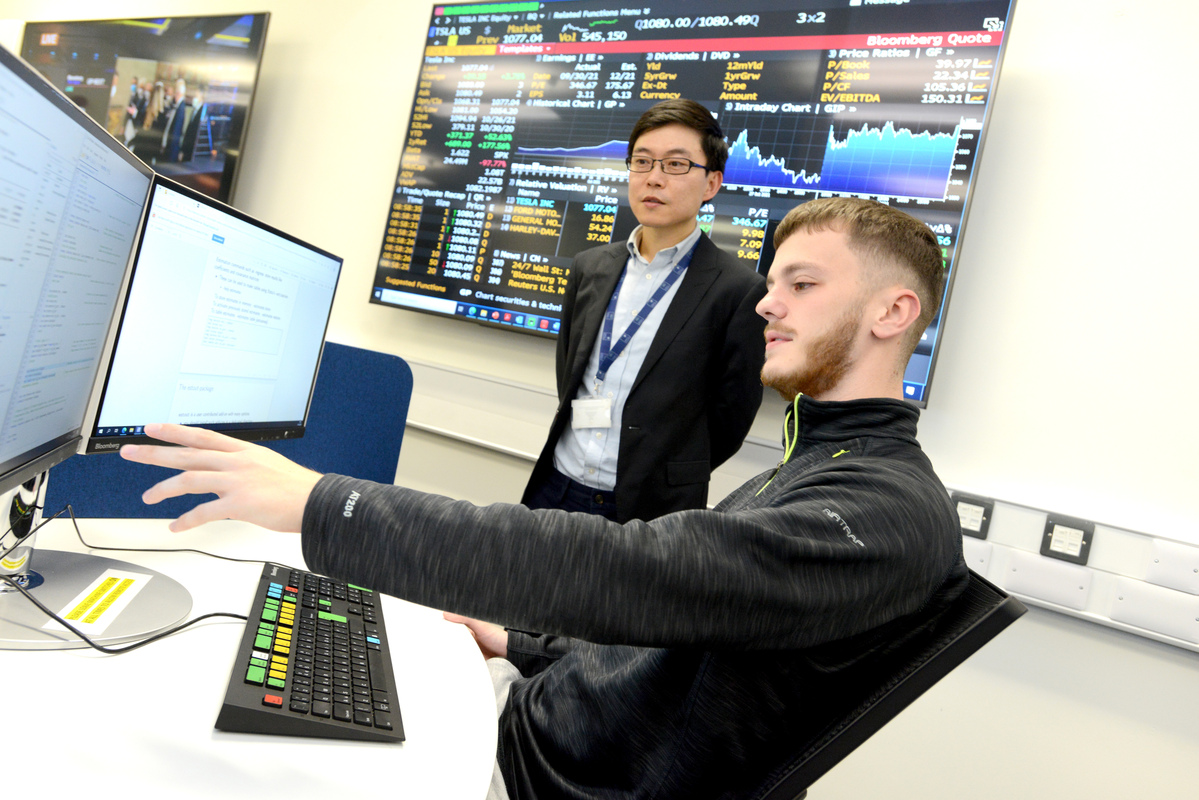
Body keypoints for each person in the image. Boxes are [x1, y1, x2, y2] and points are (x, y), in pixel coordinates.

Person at [121, 197, 967, 800]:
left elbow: (634, 575)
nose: (765, 304)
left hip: (531, 773)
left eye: (801, 286)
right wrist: (514, 639)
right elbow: (675, 640)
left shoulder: (880, 512)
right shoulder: (820, 461)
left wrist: (322, 504)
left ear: (893, 311)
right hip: (527, 714)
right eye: (771, 282)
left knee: (175, 760)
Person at [521, 99, 766, 523]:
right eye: (642, 162)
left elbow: (731, 418)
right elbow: (570, 370)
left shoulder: (740, 291)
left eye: (675, 165)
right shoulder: (589, 266)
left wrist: (670, 474)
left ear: (711, 184)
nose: (654, 178)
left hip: (648, 507)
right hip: (556, 484)